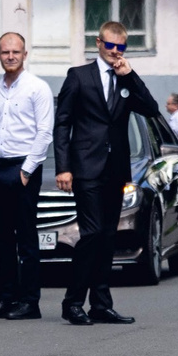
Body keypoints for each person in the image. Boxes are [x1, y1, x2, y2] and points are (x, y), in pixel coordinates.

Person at [52, 21, 162, 325]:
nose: (115, 52)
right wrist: (63, 167)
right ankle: (72, 302)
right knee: (92, 233)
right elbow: (62, 124)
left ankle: (101, 303)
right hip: (86, 167)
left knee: (108, 236)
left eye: (121, 47)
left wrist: (131, 76)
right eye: (111, 46)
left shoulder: (124, 78)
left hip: (115, 170)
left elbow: (151, 109)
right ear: (99, 43)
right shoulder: (79, 77)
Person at [0, 32, 51, 319]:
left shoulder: (36, 88)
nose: (10, 56)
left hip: (23, 169)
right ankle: (7, 298)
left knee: (26, 238)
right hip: (0, 167)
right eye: (5, 52)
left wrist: (27, 170)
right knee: (1, 237)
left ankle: (30, 302)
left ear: (24, 54)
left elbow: (44, 132)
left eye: (15, 52)